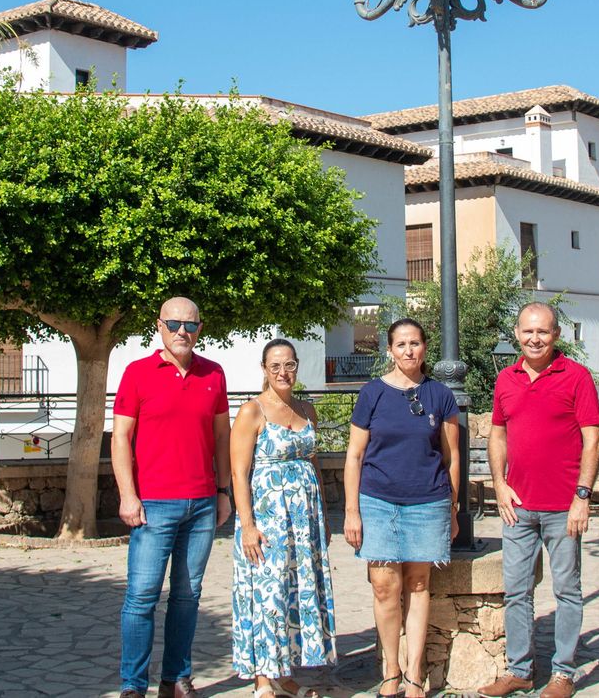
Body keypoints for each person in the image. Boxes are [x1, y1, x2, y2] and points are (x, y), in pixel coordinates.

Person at [477, 303, 599, 698]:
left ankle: (563, 673)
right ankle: (520, 670)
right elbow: (497, 434)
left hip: (564, 507)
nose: (535, 339)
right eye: (529, 332)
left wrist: (583, 496)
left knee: (567, 591)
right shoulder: (506, 379)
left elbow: (592, 438)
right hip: (519, 507)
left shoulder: (577, 377)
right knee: (516, 592)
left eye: (543, 332)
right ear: (517, 333)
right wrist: (499, 484)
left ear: (556, 336)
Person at [112, 297, 233, 698]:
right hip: (153, 504)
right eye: (175, 323)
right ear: (160, 326)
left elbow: (221, 438)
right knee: (142, 596)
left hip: (201, 504)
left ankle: (176, 679)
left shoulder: (213, 374)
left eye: (191, 325)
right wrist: (128, 496)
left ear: (201, 328)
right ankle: (133, 685)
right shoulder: (137, 373)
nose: (183, 331)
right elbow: (121, 438)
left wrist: (223, 492)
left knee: (187, 596)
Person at [344, 318, 461, 698]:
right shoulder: (372, 394)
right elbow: (354, 455)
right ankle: (390, 668)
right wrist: (351, 510)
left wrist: (453, 508)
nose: (409, 350)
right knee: (383, 586)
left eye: (415, 343)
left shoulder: (440, 395)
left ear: (425, 347)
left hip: (428, 501)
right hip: (377, 501)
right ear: (390, 350)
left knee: (419, 583)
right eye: (401, 344)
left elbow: (452, 456)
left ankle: (414, 675)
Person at [230, 338, 336, 698]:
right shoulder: (252, 411)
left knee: (296, 591)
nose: (283, 372)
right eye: (275, 366)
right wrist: (247, 525)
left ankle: (285, 671)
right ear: (264, 369)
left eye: (289, 365)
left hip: (304, 519)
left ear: (297, 366)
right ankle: (264, 677)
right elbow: (238, 472)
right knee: (267, 592)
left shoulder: (308, 410)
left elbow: (313, 462)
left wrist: (321, 510)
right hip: (268, 517)